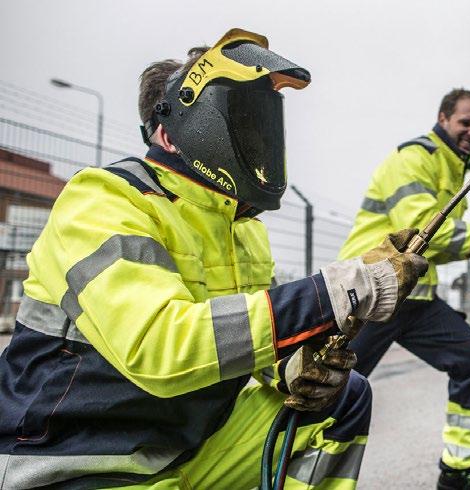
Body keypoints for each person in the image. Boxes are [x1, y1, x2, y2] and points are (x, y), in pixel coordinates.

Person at [0, 28, 427, 489]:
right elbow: (163, 348)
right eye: (237, 120)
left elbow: (247, 340)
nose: (255, 135)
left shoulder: (242, 229)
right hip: (82, 461)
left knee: (341, 401)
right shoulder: (103, 202)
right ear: (168, 132)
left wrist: (289, 369)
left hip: (188, 447)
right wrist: (334, 292)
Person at [338, 88, 470, 490]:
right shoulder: (416, 157)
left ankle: (459, 472)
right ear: (444, 117)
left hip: (412, 299)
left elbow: (440, 247)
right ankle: (288, 470)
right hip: (371, 292)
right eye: (466, 122)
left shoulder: (453, 168)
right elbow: (421, 233)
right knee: (331, 390)